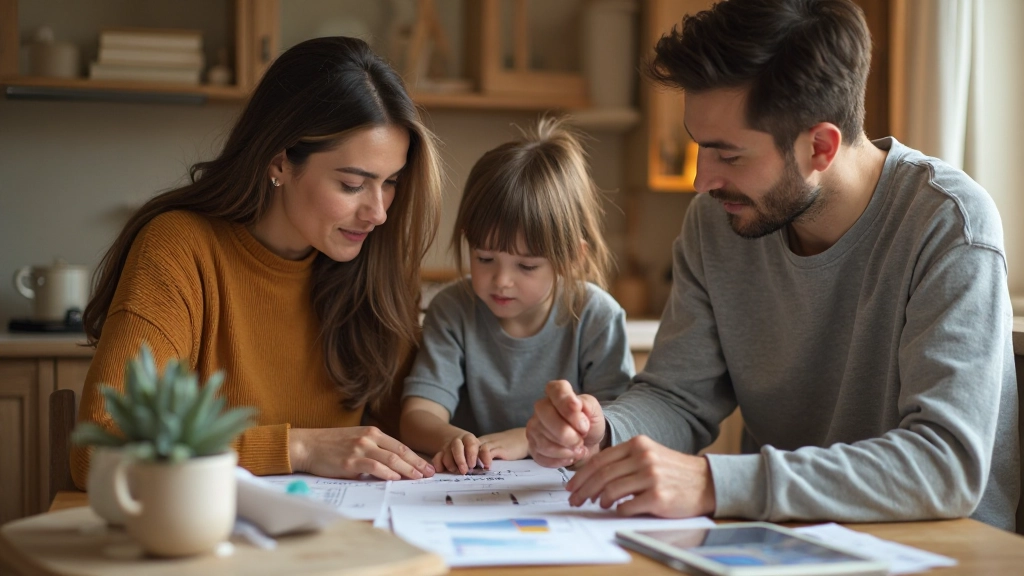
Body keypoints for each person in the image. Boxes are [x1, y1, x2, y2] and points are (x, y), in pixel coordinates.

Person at [526, 0, 1019, 531]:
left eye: (728, 155)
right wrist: (604, 429)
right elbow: (678, 397)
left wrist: (716, 483)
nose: (701, 180)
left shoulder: (949, 224)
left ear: (821, 147)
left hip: (943, 550)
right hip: (781, 541)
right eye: (699, 148)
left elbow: (945, 464)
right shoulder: (716, 224)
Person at [71, 37, 443, 489]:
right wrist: (299, 448)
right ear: (280, 162)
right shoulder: (179, 249)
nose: (378, 212)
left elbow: (411, 430)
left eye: (390, 183)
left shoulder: (373, 269)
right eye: (351, 184)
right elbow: (100, 450)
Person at [400, 118, 634, 474]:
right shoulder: (453, 310)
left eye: (526, 266)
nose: (502, 281)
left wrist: (529, 437)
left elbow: (613, 429)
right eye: (485, 258)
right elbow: (418, 415)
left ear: (571, 258)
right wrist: (456, 440)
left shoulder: (597, 317)